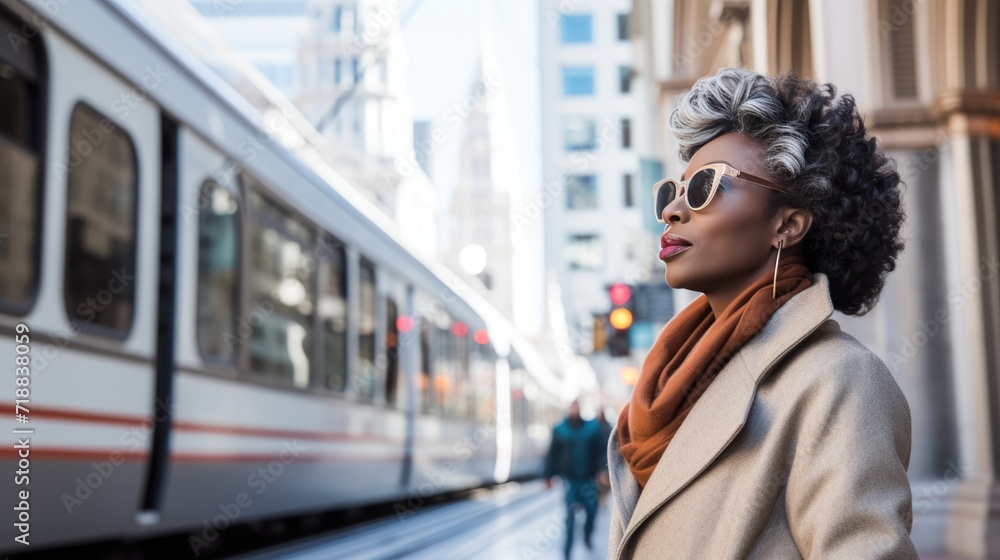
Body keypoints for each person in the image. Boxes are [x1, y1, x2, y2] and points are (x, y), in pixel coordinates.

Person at [607, 67, 918, 559]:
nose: (672, 211)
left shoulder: (840, 380)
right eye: (674, 191)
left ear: (787, 226)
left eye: (705, 186)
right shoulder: (665, 385)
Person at [544, 400, 604, 559]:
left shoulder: (592, 430)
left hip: (588, 479)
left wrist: (601, 470)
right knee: (570, 516)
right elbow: (552, 454)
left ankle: (587, 535)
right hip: (570, 480)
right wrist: (548, 475)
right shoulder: (560, 431)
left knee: (591, 511)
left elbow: (600, 451)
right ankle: (567, 552)